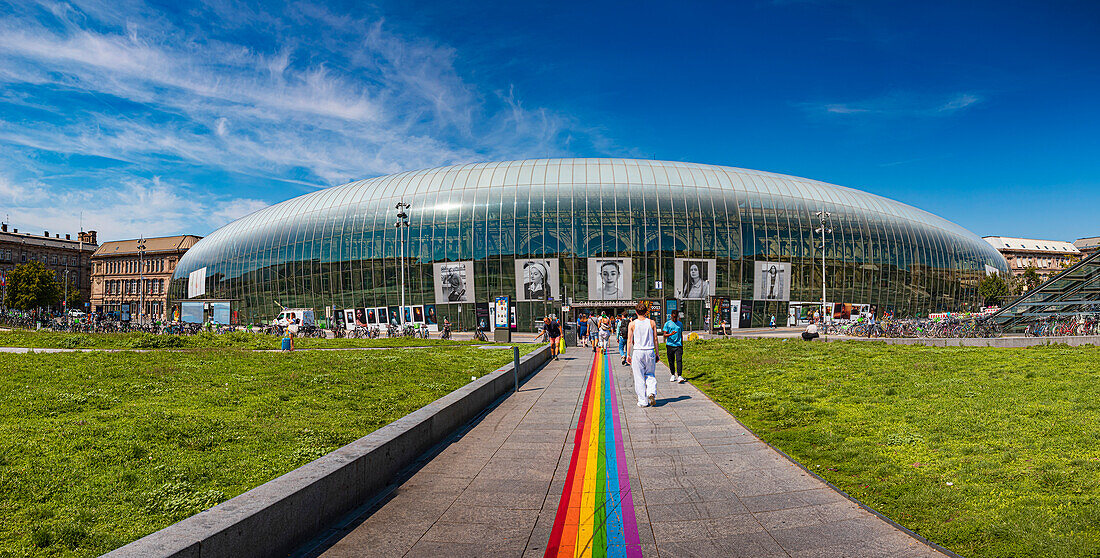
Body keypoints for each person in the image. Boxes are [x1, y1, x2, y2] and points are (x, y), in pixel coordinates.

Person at [627, 301, 660, 407]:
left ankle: (643, 401)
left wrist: (628, 354)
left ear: (636, 312)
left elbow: (629, 340)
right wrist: (657, 353)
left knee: (639, 376)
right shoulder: (652, 323)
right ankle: (651, 392)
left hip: (638, 351)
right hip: (649, 350)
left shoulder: (632, 324)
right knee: (650, 374)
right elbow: (655, 339)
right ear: (646, 312)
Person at [661, 310, 685, 383]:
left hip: (678, 345)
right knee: (671, 360)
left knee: (679, 360)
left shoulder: (680, 324)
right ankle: (672, 374)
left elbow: (681, 334)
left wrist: (682, 344)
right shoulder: (667, 324)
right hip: (670, 345)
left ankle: (680, 375)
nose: (675, 318)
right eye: (673, 317)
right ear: (671, 316)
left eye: (676, 317)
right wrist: (670, 334)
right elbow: (664, 334)